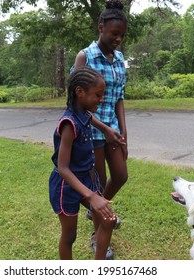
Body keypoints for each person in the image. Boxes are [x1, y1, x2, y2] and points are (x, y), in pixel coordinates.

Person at [72, 0, 128, 257]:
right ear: (100, 28)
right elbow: (77, 101)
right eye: (114, 34)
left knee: (120, 175)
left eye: (122, 35)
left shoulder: (119, 59)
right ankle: (98, 234)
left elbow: (118, 97)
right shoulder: (86, 56)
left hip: (112, 131)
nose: (118, 39)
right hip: (90, 132)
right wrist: (104, 128)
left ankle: (95, 207)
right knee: (97, 186)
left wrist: (122, 131)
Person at [49, 66, 117, 260]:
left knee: (108, 220)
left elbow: (92, 119)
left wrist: (106, 129)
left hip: (86, 180)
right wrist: (92, 196)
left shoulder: (84, 114)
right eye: (98, 95)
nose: (101, 99)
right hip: (66, 186)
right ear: (80, 92)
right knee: (70, 236)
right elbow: (63, 168)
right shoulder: (69, 124)